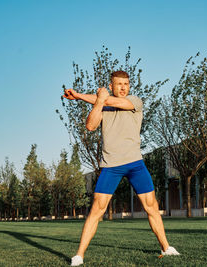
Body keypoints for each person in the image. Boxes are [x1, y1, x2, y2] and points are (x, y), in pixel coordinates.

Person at [63, 71, 180, 266]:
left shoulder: (135, 101)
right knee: (97, 210)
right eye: (119, 84)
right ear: (111, 85)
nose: (123, 87)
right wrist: (94, 101)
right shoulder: (103, 105)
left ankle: (166, 247)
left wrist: (86, 97)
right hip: (111, 166)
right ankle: (79, 255)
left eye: (126, 84)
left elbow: (113, 102)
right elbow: (91, 126)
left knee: (152, 207)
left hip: (135, 163)